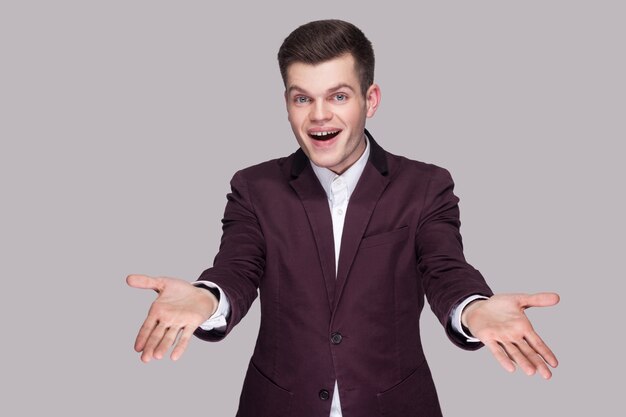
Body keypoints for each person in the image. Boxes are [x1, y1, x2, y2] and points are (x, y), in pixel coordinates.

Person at [127, 19, 559, 417]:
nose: (319, 116)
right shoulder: (254, 187)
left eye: (338, 96)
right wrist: (208, 298)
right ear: (287, 104)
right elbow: (237, 267)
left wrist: (474, 308)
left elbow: (445, 269)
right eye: (303, 98)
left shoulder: (426, 186)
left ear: (370, 100)